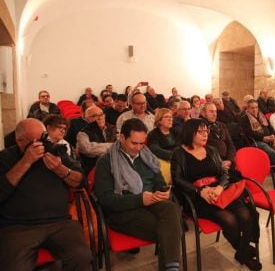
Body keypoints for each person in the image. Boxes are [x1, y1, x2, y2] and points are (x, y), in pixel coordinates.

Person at [0, 118, 91, 270]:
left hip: (60, 223)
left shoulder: (55, 151)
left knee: (82, 257)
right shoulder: (5, 158)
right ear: (19, 141)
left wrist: (61, 170)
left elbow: (81, 181)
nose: (40, 145)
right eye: (33, 141)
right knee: (15, 267)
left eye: (42, 137)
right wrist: (25, 162)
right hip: (18, 227)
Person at [171, 119, 261, 270]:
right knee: (229, 220)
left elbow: (223, 172)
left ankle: (242, 253)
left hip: (220, 192)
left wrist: (220, 187)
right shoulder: (178, 154)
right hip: (197, 196)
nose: (205, 135)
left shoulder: (211, 150)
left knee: (246, 214)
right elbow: (177, 180)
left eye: (206, 131)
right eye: (200, 132)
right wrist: (200, 191)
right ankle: (243, 250)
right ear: (189, 133)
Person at [95, 118, 182, 271]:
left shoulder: (147, 156)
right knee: (170, 230)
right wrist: (140, 199)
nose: (138, 148)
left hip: (150, 202)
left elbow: (159, 183)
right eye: (134, 143)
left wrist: (164, 191)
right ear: (122, 138)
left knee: (172, 209)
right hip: (123, 211)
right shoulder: (106, 161)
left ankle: (171, 268)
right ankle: (171, 268)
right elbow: (105, 200)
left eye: (142, 143)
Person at [239, 99, 275, 165]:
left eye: (256, 107)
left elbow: (270, 126)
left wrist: (272, 134)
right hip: (256, 141)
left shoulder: (261, 115)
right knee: (272, 152)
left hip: (269, 138)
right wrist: (263, 138)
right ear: (248, 108)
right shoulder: (244, 118)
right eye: (252, 108)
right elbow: (249, 133)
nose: (255, 110)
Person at [77, 106, 115, 174]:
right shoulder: (82, 134)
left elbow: (123, 146)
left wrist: (98, 148)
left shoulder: (113, 128)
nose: (100, 118)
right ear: (86, 119)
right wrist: (113, 146)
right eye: (94, 116)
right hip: (94, 169)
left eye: (101, 114)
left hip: (114, 166)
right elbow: (88, 149)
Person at [202, 103, 236, 173]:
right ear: (204, 113)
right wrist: (218, 163)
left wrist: (230, 160)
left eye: (215, 111)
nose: (214, 114)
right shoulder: (200, 127)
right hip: (212, 163)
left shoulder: (221, 125)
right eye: (211, 111)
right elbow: (201, 148)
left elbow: (230, 144)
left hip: (227, 160)